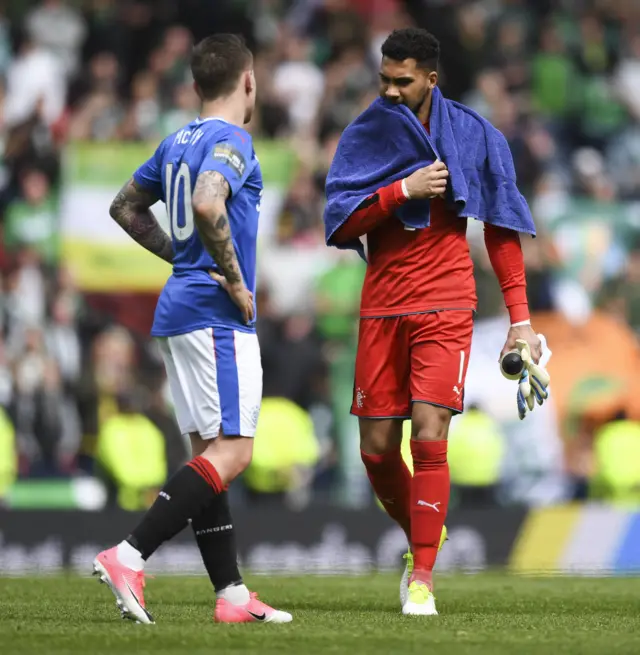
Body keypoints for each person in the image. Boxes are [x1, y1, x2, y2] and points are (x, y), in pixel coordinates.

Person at [326, 28, 547, 616]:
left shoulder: (474, 135)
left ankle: (421, 574)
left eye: (404, 81)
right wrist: (401, 190)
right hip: (381, 302)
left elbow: (500, 227)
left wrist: (520, 321)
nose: (392, 92)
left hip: (447, 301)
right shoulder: (366, 134)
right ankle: (427, 529)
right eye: (384, 80)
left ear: (431, 78)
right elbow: (341, 227)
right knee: (376, 450)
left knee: (430, 430)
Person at [92, 34, 292, 625]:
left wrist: (179, 257)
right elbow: (209, 204)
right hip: (213, 314)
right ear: (248, 82)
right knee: (235, 451)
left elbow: (124, 206)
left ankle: (230, 594)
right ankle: (129, 554)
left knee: (208, 452)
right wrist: (231, 278)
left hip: (179, 309)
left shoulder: (175, 141)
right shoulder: (233, 140)